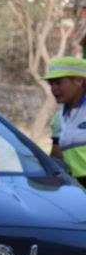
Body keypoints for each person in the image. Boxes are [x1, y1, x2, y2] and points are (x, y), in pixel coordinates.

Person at [46, 56, 86, 186]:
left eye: (58, 82)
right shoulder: (58, 118)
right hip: (75, 193)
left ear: (79, 81)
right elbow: (56, 156)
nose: (54, 89)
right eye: (51, 84)